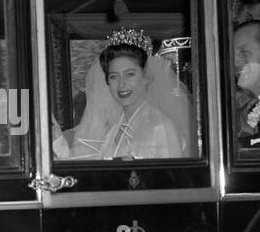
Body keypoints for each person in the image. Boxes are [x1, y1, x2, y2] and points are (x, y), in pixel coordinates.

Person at [53, 29, 191, 160]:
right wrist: (59, 144)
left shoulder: (160, 128)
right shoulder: (116, 127)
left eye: (129, 74)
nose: (121, 84)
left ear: (145, 77)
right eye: (113, 76)